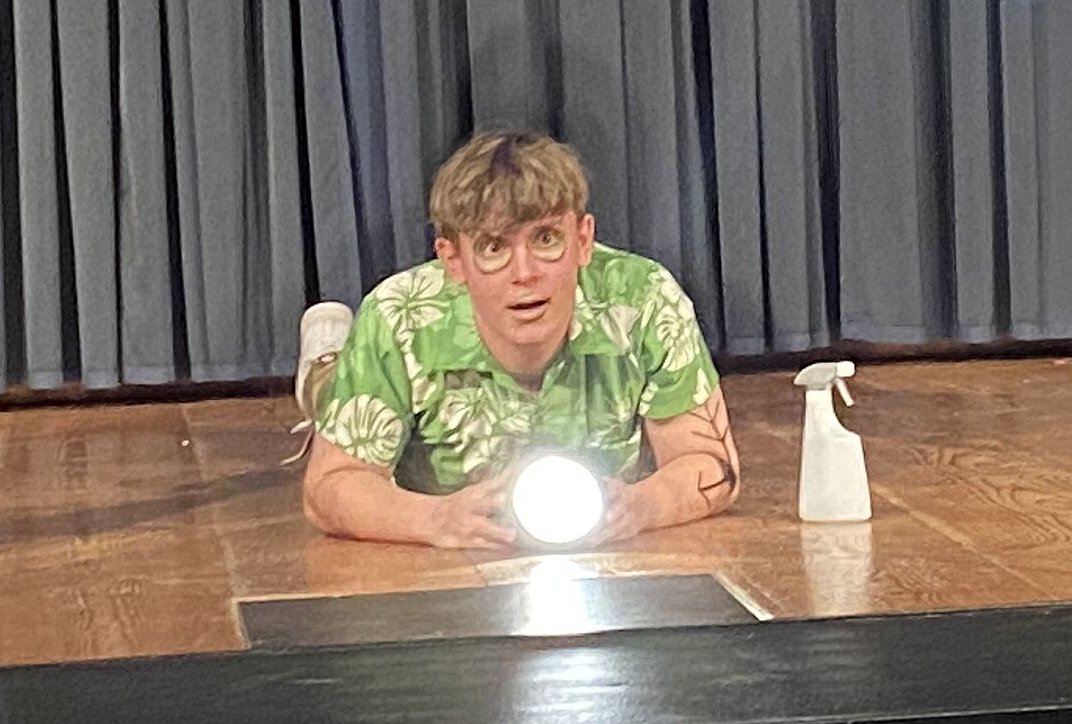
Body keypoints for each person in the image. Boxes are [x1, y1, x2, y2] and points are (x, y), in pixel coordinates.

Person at [293, 131, 740, 549]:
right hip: (375, 383)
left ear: (583, 240)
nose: (524, 273)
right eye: (493, 248)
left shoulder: (645, 300)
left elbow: (711, 465)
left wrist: (643, 506)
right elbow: (329, 488)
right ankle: (325, 358)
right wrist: (433, 518)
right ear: (453, 260)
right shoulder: (397, 317)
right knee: (330, 391)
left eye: (546, 239)